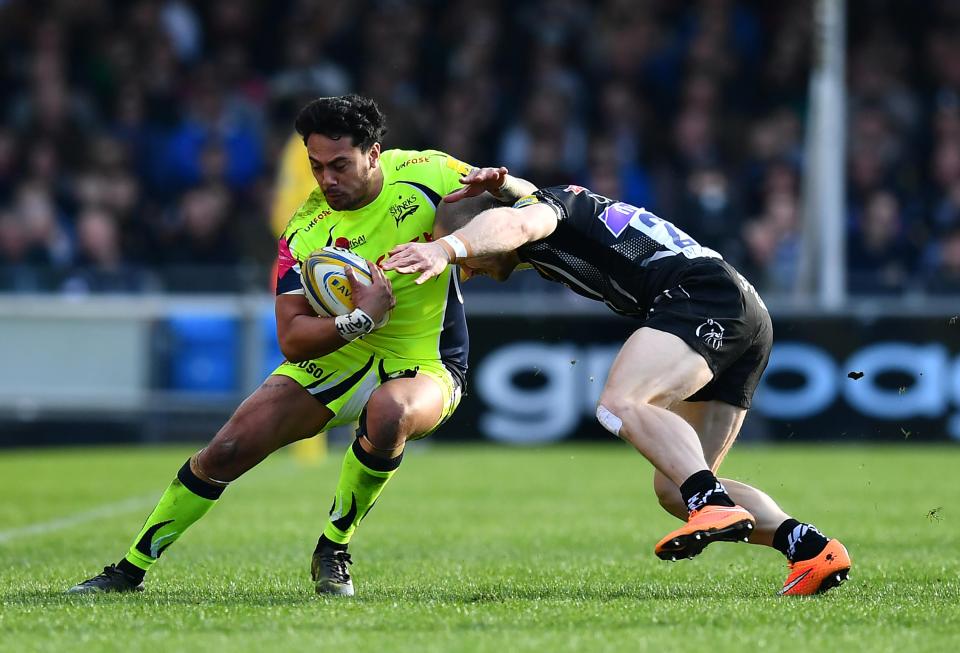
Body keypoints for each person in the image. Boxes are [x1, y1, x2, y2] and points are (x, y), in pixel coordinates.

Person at [68, 94, 533, 596]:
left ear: (374, 154)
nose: (326, 179)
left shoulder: (433, 173)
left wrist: (504, 187)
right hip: (345, 352)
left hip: (427, 359)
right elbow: (291, 338)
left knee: (390, 413)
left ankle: (333, 549)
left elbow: (529, 205)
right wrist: (359, 319)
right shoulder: (306, 229)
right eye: (316, 166)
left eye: (340, 165)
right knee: (226, 449)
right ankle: (129, 570)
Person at [384, 184, 852, 596]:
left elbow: (513, 222)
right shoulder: (540, 208)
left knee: (621, 403)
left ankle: (709, 504)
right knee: (675, 487)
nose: (468, 272)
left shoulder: (539, 213)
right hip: (744, 309)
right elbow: (512, 208)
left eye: (469, 260)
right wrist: (502, 184)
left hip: (701, 294)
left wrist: (447, 249)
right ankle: (812, 549)